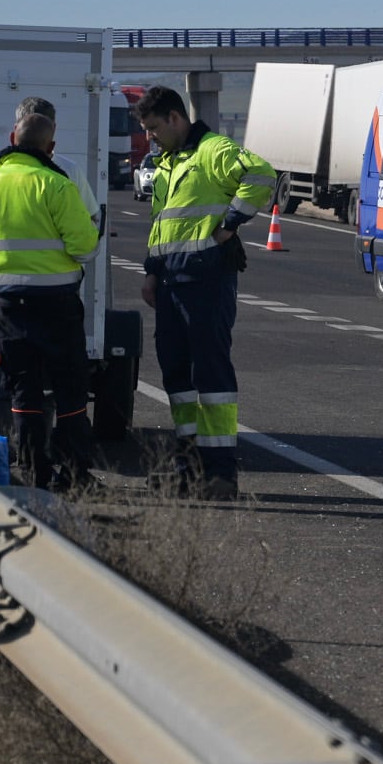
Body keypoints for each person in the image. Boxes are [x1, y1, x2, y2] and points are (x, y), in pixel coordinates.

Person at [135, 86, 275, 500]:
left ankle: (219, 473)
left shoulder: (212, 150)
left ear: (176, 118)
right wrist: (151, 272)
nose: (150, 138)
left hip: (206, 281)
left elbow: (261, 174)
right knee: (177, 376)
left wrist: (230, 224)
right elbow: (162, 224)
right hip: (172, 283)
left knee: (210, 376)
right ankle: (189, 463)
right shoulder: (169, 163)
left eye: (154, 128)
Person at [0, 97, 101, 489]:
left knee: (23, 391)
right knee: (70, 388)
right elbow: (85, 247)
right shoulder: (57, 183)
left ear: (12, 137)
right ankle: (75, 474)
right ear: (51, 148)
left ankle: (33, 473)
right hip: (57, 303)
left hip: (7, 305)